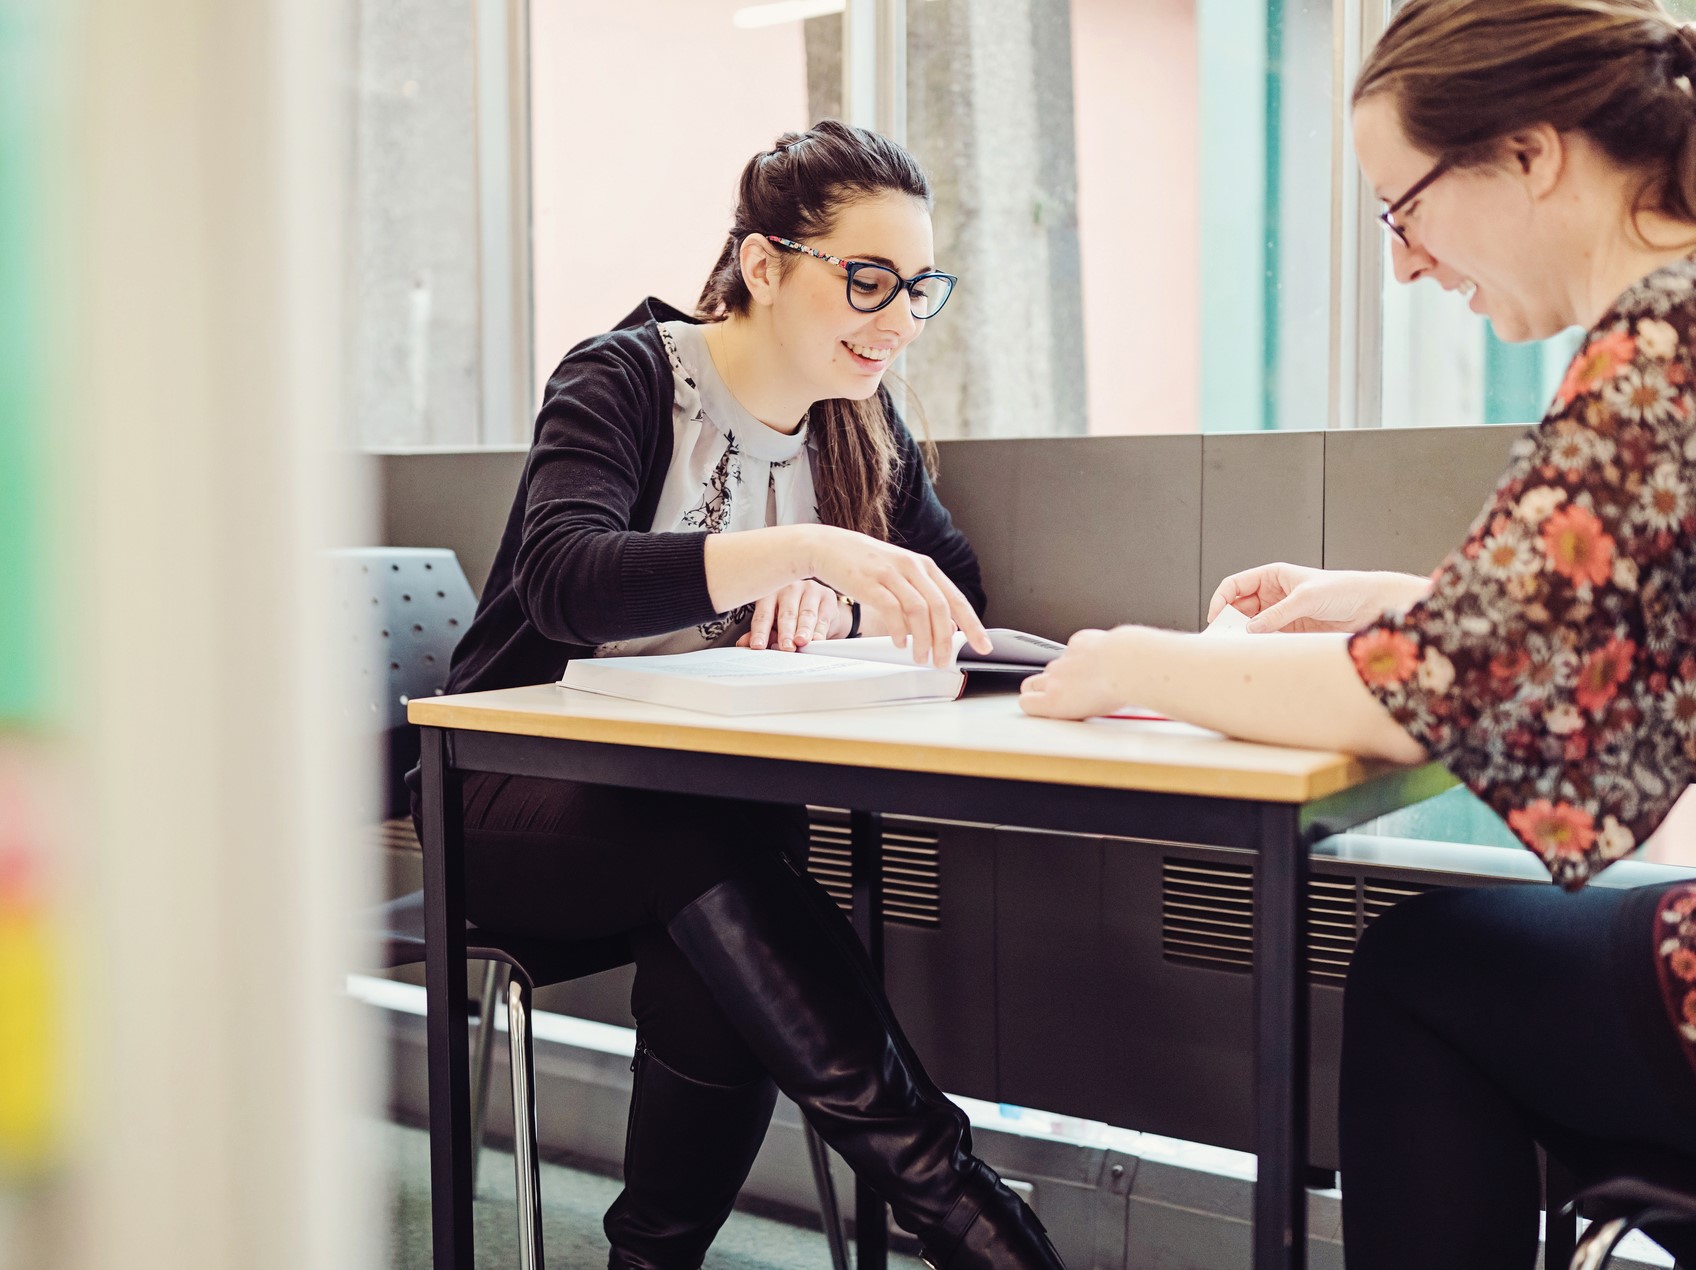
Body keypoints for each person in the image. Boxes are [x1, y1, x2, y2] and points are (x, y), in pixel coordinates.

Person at [1019, 1, 1696, 1265]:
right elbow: (1608, 618)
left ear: (1529, 156)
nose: (1404, 265)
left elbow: (1417, 697)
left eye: (1404, 208)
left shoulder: (1658, 345)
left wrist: (1131, 659)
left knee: (1419, 976)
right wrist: (1392, 597)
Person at [410, 120, 1065, 1269]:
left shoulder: (861, 424)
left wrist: (843, 600)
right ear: (763, 265)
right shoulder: (624, 376)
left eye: (919, 287)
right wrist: (791, 551)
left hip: (689, 830)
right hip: (500, 801)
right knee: (708, 836)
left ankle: (676, 1255)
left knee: (718, 909)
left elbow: (948, 590)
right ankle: (965, 1210)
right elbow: (562, 580)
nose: (899, 319)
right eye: (867, 279)